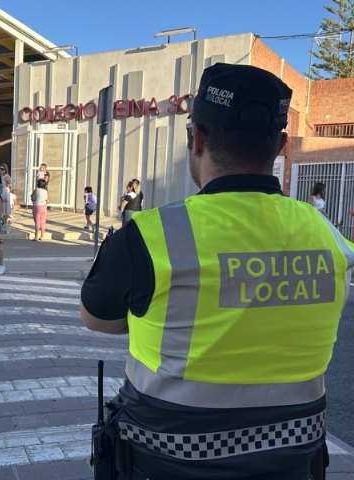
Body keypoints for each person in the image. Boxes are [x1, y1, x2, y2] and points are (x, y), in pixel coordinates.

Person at [80, 63, 354, 480]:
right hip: (294, 463)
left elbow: (96, 319)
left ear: (198, 137)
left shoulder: (146, 237)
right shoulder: (329, 236)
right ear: (280, 145)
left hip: (167, 461)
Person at [0, 163, 13, 228]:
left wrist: (4, 186)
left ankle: (4, 223)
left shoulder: (6, 176)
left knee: (5, 209)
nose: (0, 170)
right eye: (0, 168)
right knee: (0, 209)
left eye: (2, 169)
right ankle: (2, 223)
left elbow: (10, 184)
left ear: (5, 170)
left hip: (4, 193)